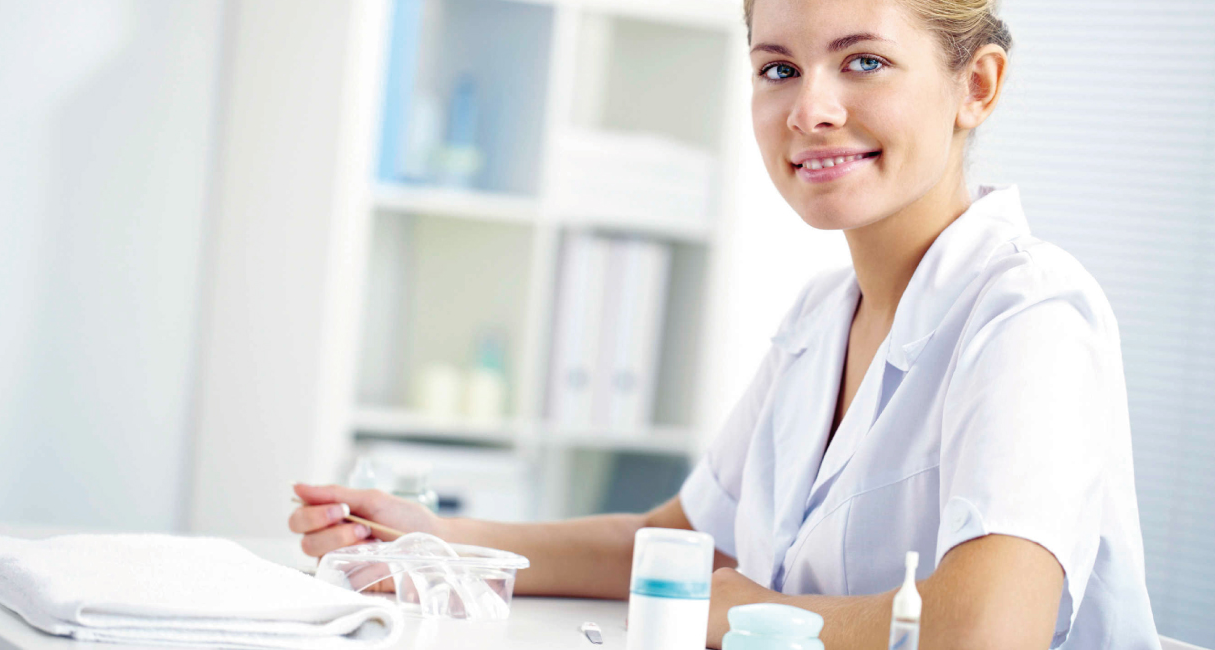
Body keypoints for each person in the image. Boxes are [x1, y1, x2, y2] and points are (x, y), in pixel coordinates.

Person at [290, 0, 1160, 647]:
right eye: (779, 69)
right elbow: (687, 546)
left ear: (977, 86)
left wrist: (755, 614)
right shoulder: (823, 313)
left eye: (863, 62)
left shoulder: (1028, 315)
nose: (810, 109)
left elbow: (989, 632)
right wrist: (443, 542)